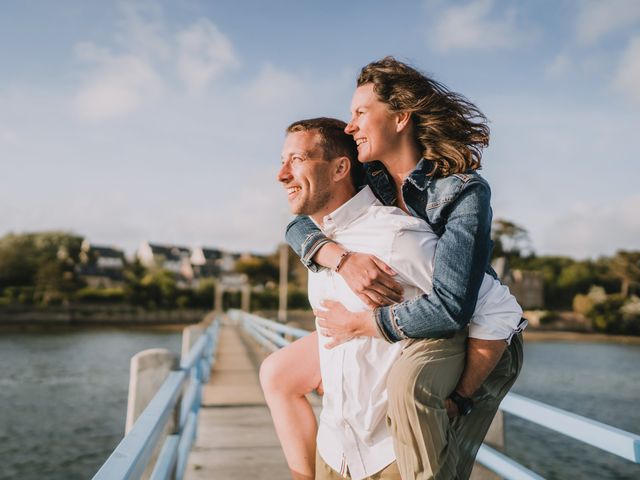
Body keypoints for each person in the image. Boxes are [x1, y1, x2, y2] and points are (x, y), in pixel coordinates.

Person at [261, 57, 525, 479]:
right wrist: (340, 258)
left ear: (401, 117)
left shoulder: (460, 192)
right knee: (277, 371)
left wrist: (362, 326)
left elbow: (458, 307)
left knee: (409, 390)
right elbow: (303, 217)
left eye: (360, 113)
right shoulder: (369, 177)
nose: (350, 127)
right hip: (346, 433)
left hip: (460, 320)